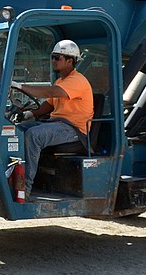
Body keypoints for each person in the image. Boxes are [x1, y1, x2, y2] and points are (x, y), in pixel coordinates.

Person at [10, 39, 93, 199]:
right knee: (15, 131)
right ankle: (11, 178)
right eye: (53, 57)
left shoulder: (77, 81)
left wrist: (20, 86)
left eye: (57, 57)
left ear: (70, 60)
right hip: (58, 125)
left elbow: (50, 93)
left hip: (75, 131)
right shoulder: (61, 81)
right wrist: (27, 115)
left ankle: (24, 189)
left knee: (34, 135)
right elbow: (48, 105)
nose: (53, 60)